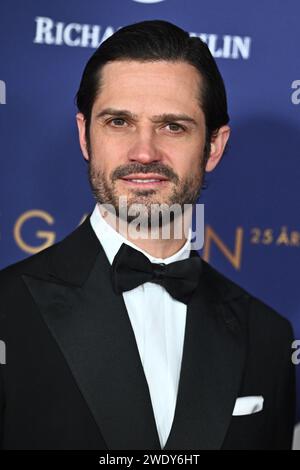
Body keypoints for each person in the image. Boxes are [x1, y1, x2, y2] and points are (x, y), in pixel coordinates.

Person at [0, 20, 295, 450]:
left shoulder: (268, 336)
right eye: (119, 122)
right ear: (85, 136)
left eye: (173, 126)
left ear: (213, 146)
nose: (144, 152)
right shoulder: (6, 309)